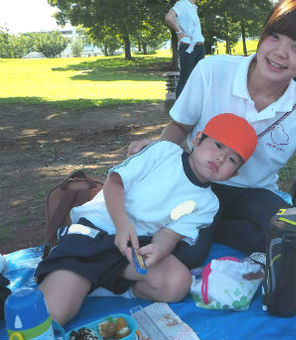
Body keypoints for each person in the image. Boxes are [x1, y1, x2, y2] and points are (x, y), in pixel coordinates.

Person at [128, 0, 296, 266]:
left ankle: (217, 229)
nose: (280, 52)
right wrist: (156, 157)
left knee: (290, 236)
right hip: (197, 181)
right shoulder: (213, 71)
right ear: (263, 34)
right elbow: (180, 126)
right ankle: (212, 230)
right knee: (187, 253)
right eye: (274, 36)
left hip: (252, 193)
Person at [34, 114, 258, 325]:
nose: (220, 158)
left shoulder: (209, 203)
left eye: (232, 159)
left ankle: (112, 286)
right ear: (198, 139)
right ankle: (78, 278)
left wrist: (156, 251)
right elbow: (114, 183)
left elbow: (170, 234)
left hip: (132, 249)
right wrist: (122, 225)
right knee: (52, 316)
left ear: (233, 174)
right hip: (96, 234)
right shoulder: (163, 152)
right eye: (218, 145)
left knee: (178, 284)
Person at [165, 0, 205, 99]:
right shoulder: (182, 3)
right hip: (188, 47)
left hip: (200, 47)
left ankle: (192, 108)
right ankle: (178, 111)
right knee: (185, 79)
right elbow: (168, 18)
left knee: (197, 80)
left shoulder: (194, 7)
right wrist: (179, 32)